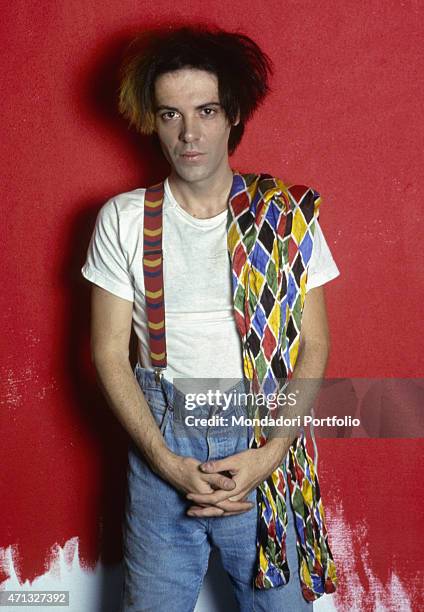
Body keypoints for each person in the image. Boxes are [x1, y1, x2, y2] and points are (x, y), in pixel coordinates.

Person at [81, 26, 340, 612]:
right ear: (153, 119)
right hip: (159, 450)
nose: (189, 134)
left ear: (234, 115)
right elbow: (106, 354)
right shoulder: (123, 219)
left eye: (206, 111)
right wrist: (166, 462)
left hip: (262, 443)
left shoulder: (285, 217)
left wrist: (270, 454)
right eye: (171, 114)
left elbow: (314, 346)